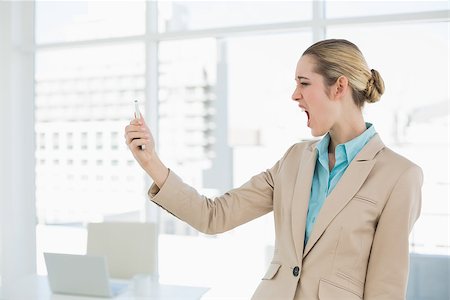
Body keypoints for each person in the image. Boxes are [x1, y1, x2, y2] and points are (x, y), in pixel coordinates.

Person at [124, 39, 423, 300]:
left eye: (304, 83)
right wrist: (151, 162)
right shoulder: (294, 159)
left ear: (339, 86)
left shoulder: (398, 175)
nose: (295, 95)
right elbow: (213, 216)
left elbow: (386, 290)